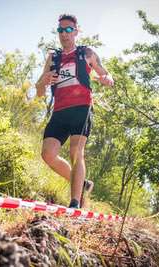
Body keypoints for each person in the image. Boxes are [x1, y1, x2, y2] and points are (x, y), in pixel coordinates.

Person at [35, 14, 114, 209]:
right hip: (60, 111)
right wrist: (43, 82)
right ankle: (83, 184)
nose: (64, 34)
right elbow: (38, 92)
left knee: (76, 152)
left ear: (76, 31)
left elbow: (106, 73)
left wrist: (107, 79)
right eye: (60, 30)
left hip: (82, 108)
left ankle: (75, 203)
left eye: (68, 29)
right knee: (48, 154)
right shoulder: (53, 57)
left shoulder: (87, 53)